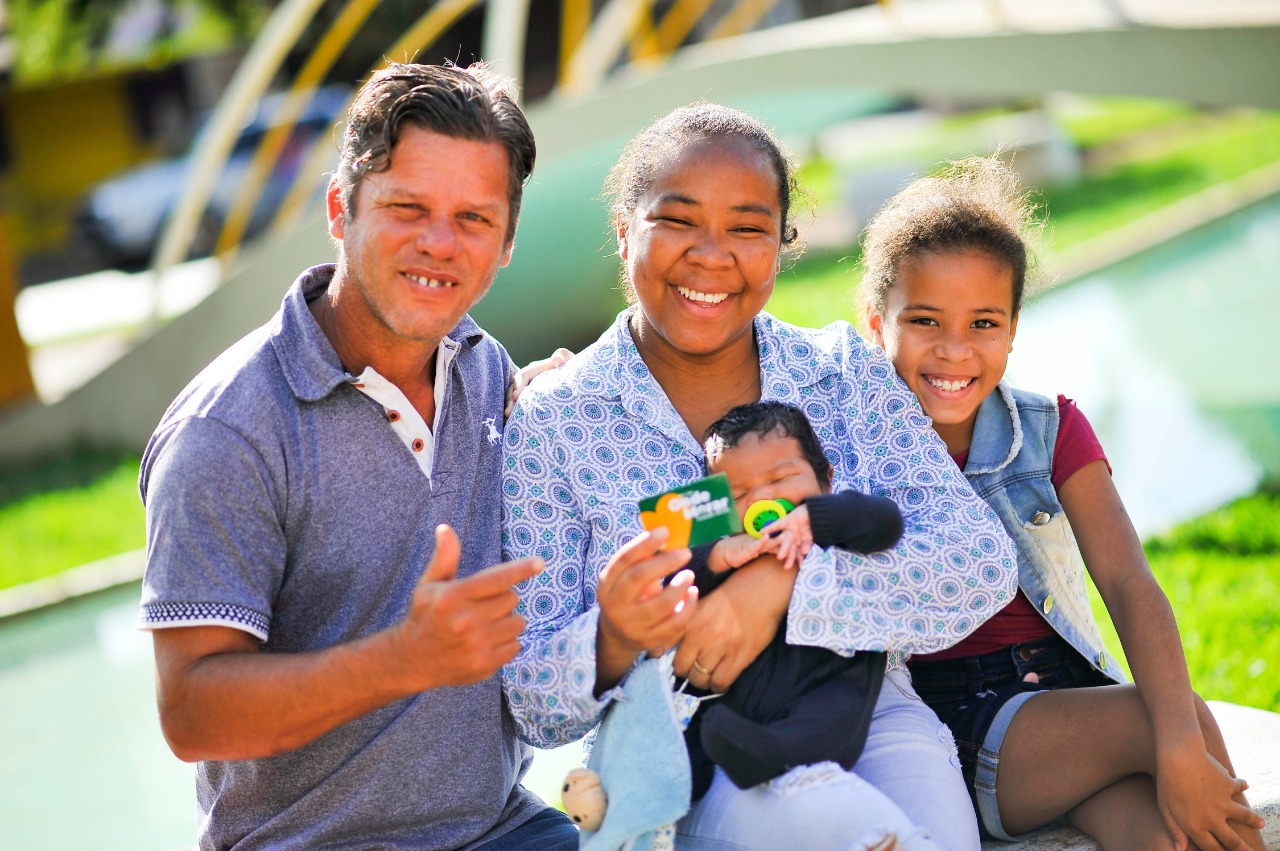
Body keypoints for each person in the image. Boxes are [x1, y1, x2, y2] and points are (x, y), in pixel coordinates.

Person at [501, 103, 1019, 851]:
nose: (712, 256)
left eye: (747, 228)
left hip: (864, 710)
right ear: (624, 230)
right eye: (678, 221)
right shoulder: (557, 421)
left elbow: (978, 561)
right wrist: (614, 635)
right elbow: (527, 697)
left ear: (781, 245)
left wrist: (781, 584)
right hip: (692, 750)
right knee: (858, 832)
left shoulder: (839, 374)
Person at [137, 62, 579, 850]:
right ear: (341, 209)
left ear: (507, 243)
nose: (439, 243)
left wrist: (551, 408)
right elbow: (192, 714)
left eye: (473, 219)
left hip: (501, 824)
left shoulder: (483, 368)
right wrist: (403, 660)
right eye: (408, 207)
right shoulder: (228, 430)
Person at [860, 155, 1267, 850]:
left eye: (984, 323)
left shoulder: (1048, 429)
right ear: (876, 324)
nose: (955, 350)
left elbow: (1129, 582)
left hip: (1067, 698)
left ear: (1014, 328)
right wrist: (1172, 738)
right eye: (926, 320)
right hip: (957, 720)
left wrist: (1173, 748)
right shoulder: (858, 444)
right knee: (1176, 724)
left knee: (1165, 832)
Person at [683, 400, 901, 796]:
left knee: (833, 721)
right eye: (739, 492)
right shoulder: (728, 545)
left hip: (832, 671)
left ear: (826, 480)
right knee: (691, 724)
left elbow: (887, 521)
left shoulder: (836, 523)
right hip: (733, 687)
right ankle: (683, 779)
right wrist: (716, 554)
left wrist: (817, 519)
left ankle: (776, 754)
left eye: (782, 478)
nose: (761, 498)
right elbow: (675, 573)